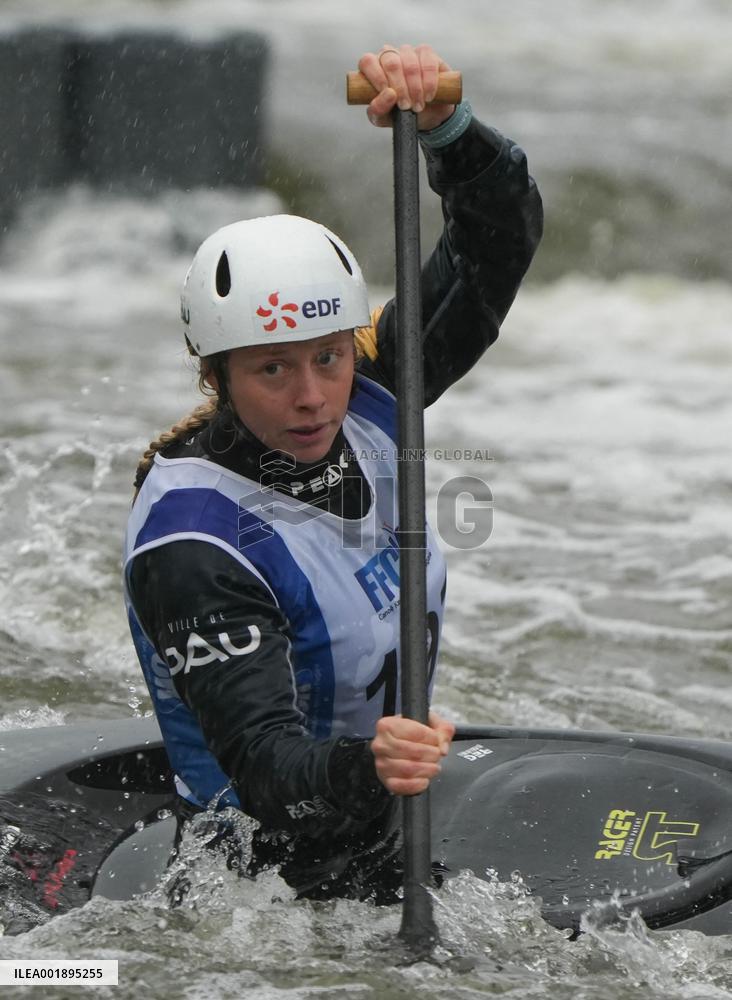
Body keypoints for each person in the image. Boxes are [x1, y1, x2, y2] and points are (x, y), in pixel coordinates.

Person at [124, 44, 543, 901]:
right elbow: (268, 771)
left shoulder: (375, 387)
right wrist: (372, 768)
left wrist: (446, 129)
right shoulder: (195, 546)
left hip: (385, 806)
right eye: (272, 370)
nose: (313, 397)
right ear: (219, 374)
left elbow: (498, 242)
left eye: (327, 357)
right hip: (260, 881)